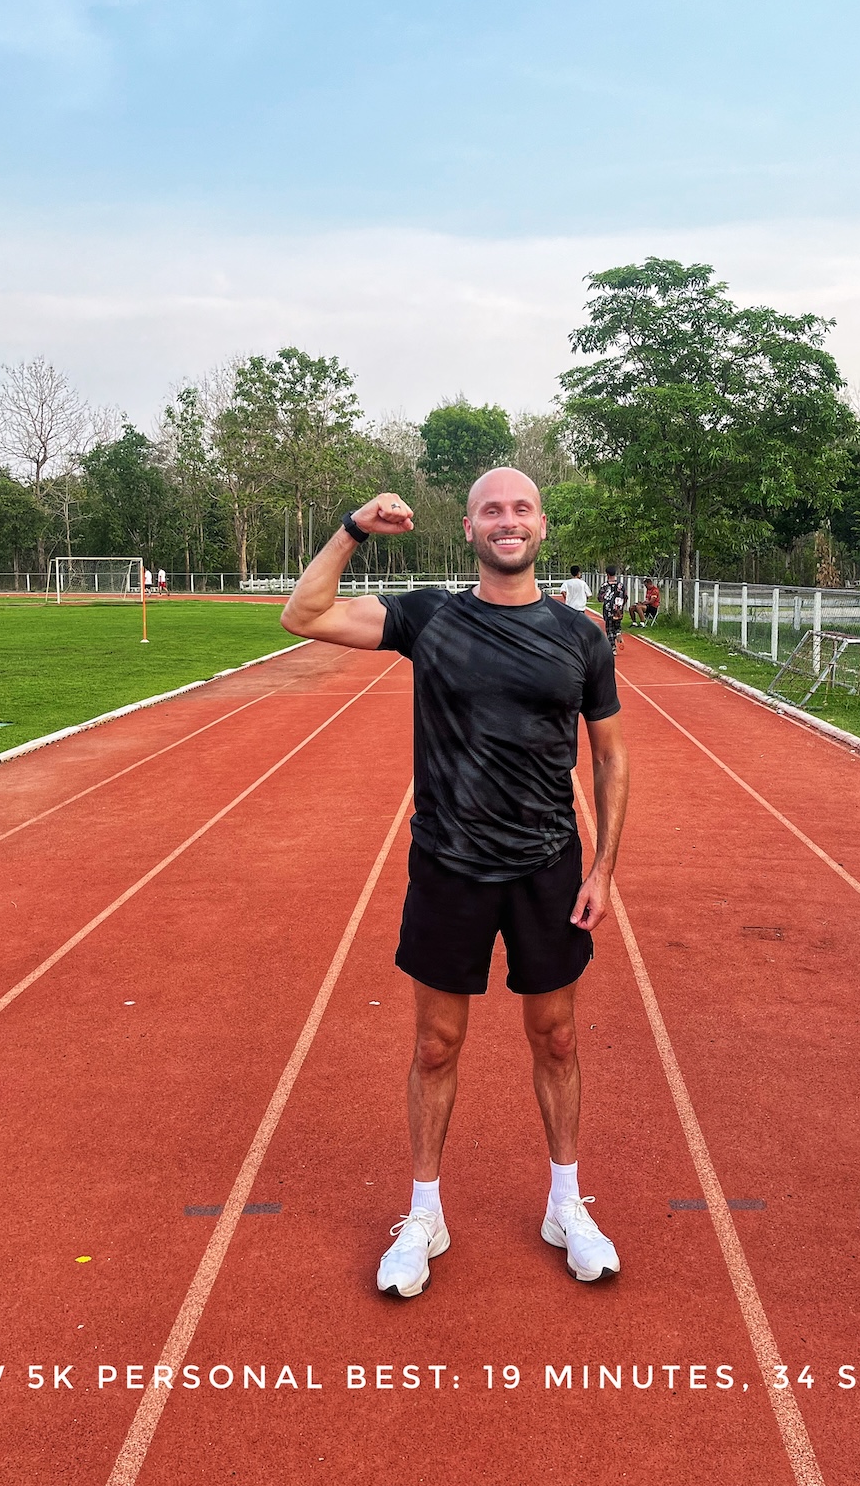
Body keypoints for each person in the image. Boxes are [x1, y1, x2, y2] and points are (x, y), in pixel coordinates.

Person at [281, 470, 629, 1297]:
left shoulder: (581, 635)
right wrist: (352, 528)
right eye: (490, 512)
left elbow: (611, 757)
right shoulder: (429, 614)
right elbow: (303, 614)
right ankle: (426, 1213)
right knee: (436, 1046)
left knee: (559, 1039)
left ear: (542, 524)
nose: (507, 523)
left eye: (520, 510)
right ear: (468, 528)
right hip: (447, 865)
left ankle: (565, 1206)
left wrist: (603, 867)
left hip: (547, 869)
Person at [597, 567, 626, 654]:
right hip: (618, 609)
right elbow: (625, 597)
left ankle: (613, 648)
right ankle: (618, 633)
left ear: (607, 574)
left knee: (609, 628)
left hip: (608, 609)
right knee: (617, 625)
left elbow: (600, 598)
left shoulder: (605, 585)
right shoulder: (621, 585)